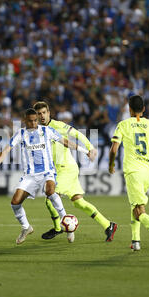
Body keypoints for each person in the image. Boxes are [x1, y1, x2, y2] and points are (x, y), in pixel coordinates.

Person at [0, 108, 79, 244]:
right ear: (25, 121)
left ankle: (65, 221)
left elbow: (66, 142)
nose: (33, 123)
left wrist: (85, 150)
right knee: (15, 202)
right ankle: (26, 227)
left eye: (35, 120)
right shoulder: (21, 133)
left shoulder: (46, 131)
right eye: (30, 121)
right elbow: (6, 150)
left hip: (47, 172)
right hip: (30, 175)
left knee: (50, 191)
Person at [33, 101, 118, 243]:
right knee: (79, 202)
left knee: (51, 198)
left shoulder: (58, 126)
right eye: (39, 114)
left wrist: (90, 148)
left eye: (44, 113)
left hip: (65, 168)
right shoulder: (37, 131)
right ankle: (108, 225)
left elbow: (78, 134)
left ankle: (59, 228)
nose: (41, 116)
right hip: (60, 170)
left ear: (49, 113)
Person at [109, 95, 149, 253]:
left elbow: (113, 149)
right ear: (144, 109)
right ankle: (136, 242)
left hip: (134, 171)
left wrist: (111, 164)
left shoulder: (123, 125)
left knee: (139, 211)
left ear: (129, 110)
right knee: (136, 205)